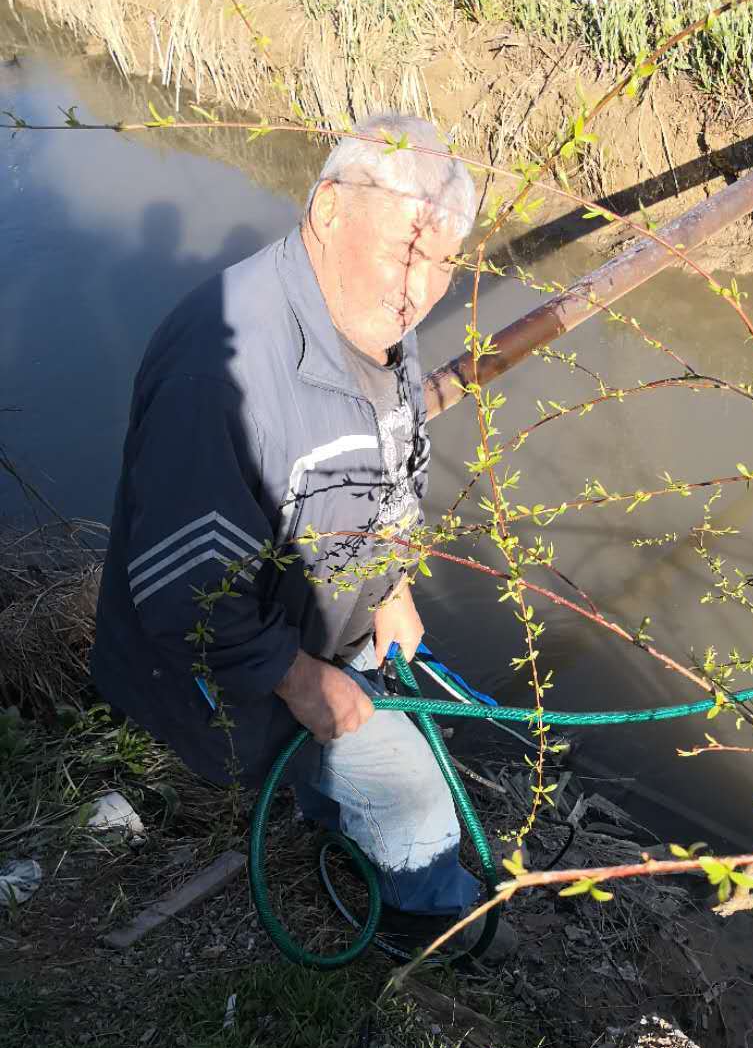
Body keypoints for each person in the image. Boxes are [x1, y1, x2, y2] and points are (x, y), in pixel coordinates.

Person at [92, 114, 509, 958]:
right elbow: (185, 595)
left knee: (366, 730)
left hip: (324, 613)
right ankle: (420, 915)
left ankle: (328, 802)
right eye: (406, 251)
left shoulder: (371, 313)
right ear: (327, 210)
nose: (420, 288)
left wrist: (392, 586)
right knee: (416, 797)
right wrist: (296, 679)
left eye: (443, 262)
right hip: (218, 663)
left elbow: (398, 461)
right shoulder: (221, 375)